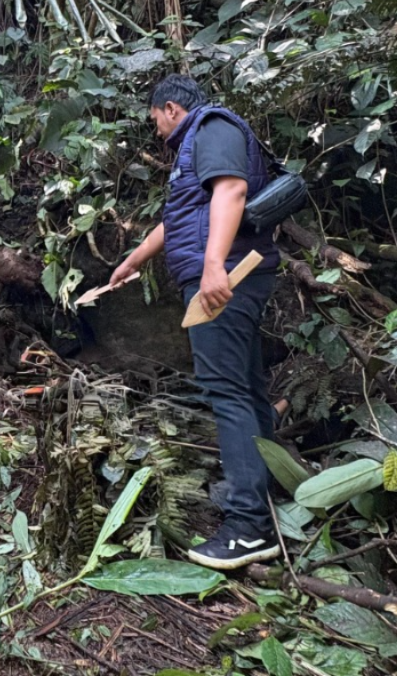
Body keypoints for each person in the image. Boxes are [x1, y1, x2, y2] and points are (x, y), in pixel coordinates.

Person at [109, 74, 280, 570]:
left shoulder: (213, 127)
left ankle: (249, 528)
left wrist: (213, 266)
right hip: (222, 275)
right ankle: (257, 496)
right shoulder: (195, 147)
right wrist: (135, 259)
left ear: (169, 108)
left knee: (225, 390)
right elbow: (183, 214)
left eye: (155, 120)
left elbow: (231, 189)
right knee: (244, 387)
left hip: (226, 278)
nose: (156, 131)